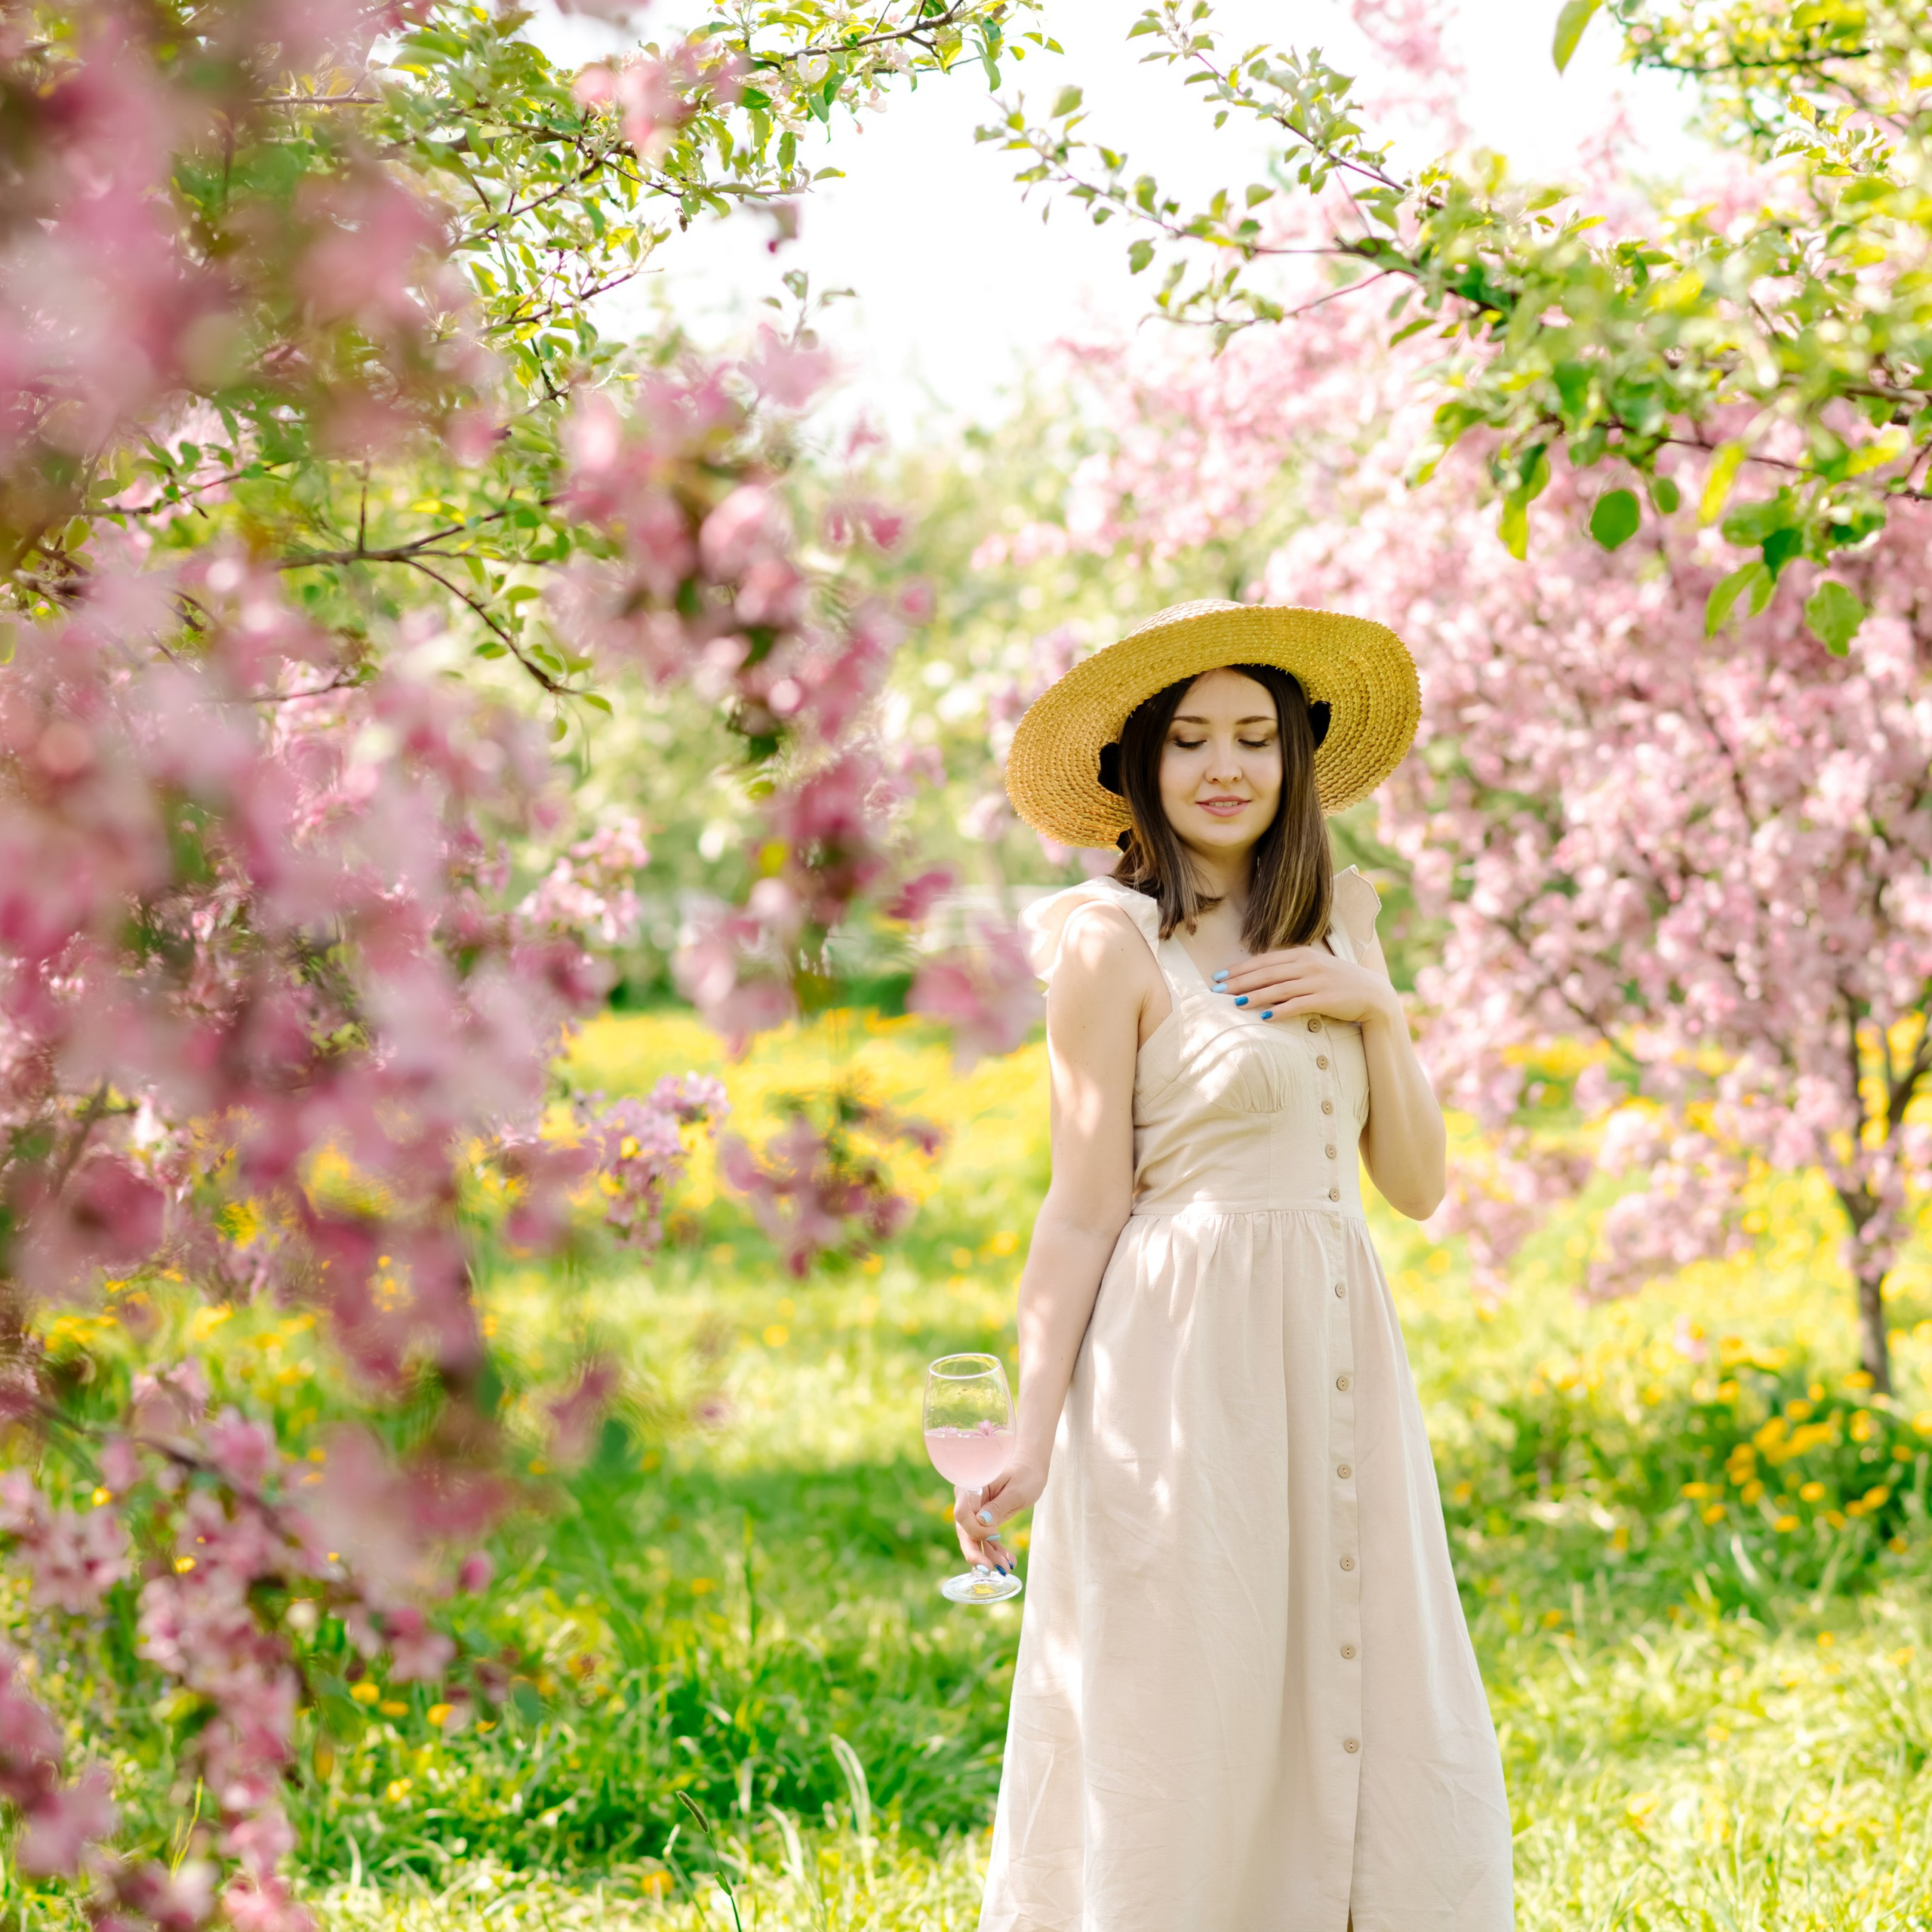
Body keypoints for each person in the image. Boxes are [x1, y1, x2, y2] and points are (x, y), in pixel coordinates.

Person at [961, 601, 1513, 1932]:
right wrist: (1029, 1434)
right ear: (1140, 764)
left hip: (1335, 1353)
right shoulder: (1110, 940)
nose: (1227, 766)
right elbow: (1081, 1208)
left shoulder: (1343, 919)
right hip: (1180, 1367)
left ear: (1296, 756)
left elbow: (1417, 1187)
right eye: (1192, 738)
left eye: (1256, 737)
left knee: (1367, 1663)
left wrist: (1378, 1006)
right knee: (1188, 1688)